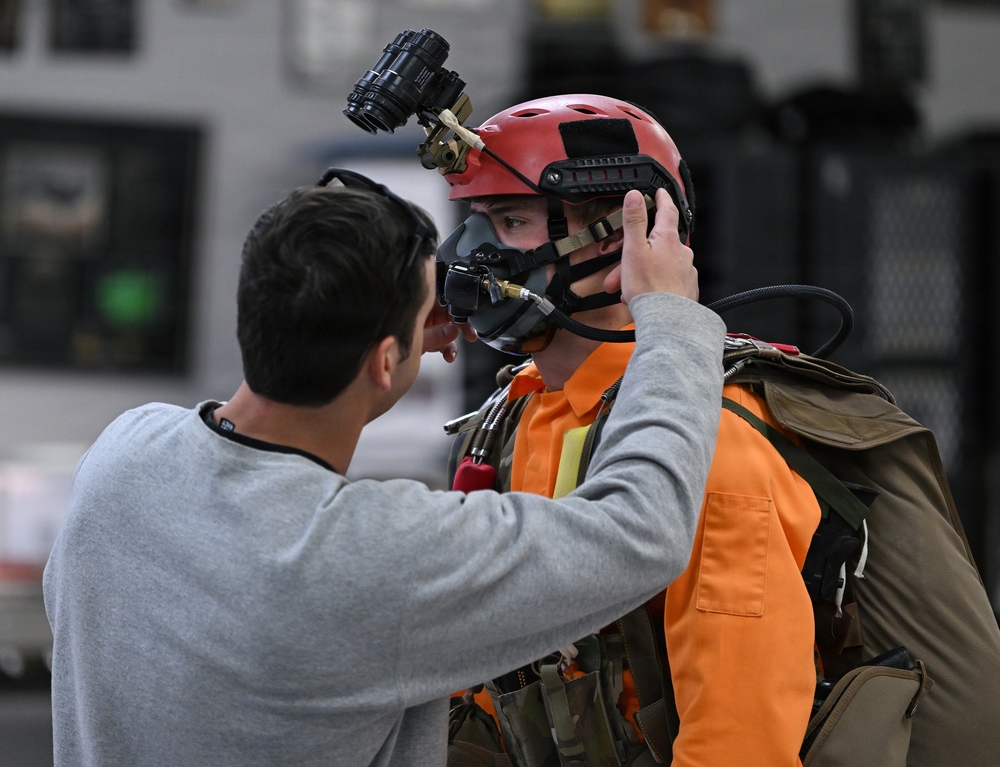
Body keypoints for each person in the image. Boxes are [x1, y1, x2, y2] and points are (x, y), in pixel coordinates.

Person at [42, 168, 726, 767]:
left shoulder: (123, 454)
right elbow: (642, 529)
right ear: (385, 359)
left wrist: (380, 348)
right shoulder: (373, 560)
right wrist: (670, 319)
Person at [436, 95, 820, 766]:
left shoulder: (711, 443)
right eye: (477, 221)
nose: (473, 254)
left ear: (618, 241)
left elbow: (741, 743)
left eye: (512, 219)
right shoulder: (517, 412)